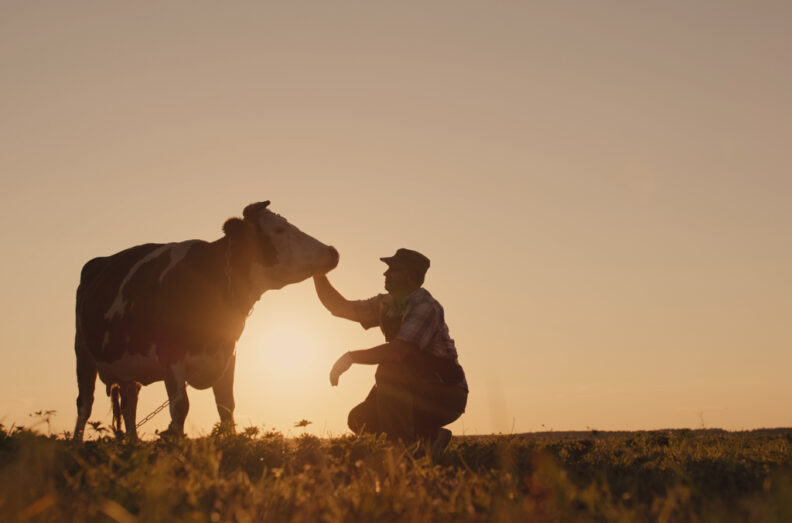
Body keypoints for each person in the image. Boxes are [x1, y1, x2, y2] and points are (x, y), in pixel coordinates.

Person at [313, 248, 468, 449]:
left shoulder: (426, 307)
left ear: (411, 276)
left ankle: (403, 449)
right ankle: (430, 438)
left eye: (393, 270)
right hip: (413, 385)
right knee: (360, 418)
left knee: (390, 368)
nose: (386, 274)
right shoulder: (386, 304)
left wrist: (351, 357)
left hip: (445, 394)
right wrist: (317, 272)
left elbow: (397, 352)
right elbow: (338, 307)